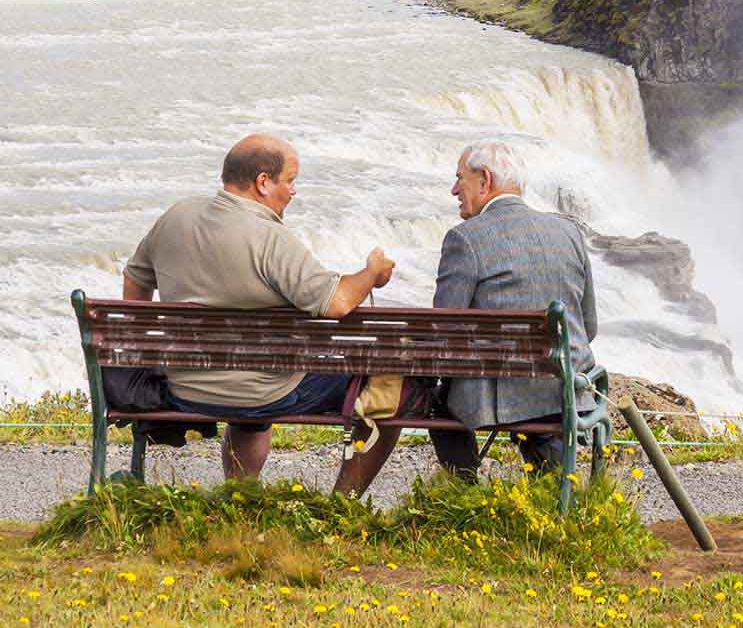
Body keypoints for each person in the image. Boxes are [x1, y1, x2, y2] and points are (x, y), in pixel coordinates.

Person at [122, 134, 398, 494]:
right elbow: (338, 302)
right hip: (262, 392)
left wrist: (146, 347)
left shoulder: (177, 216)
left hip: (183, 385)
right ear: (263, 182)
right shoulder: (271, 239)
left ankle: (241, 495)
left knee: (253, 384)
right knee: (389, 392)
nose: (294, 191)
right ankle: (341, 505)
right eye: (290, 180)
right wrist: (371, 272)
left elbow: (135, 279)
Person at [426, 141, 598, 479]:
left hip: (495, 399)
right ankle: (552, 478)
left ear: (484, 180)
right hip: (563, 389)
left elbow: (443, 332)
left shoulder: (465, 239)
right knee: (540, 396)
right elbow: (588, 325)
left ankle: (464, 488)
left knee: (431, 399)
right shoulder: (570, 232)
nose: (454, 190)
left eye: (460, 179)